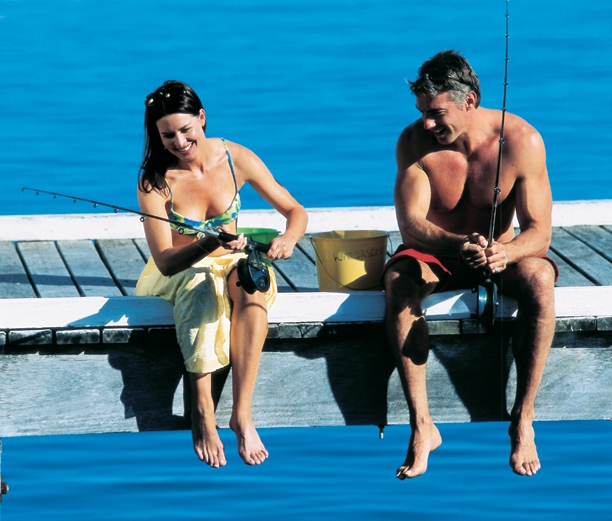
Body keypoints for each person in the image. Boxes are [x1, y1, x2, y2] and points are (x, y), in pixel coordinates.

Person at [383, 51, 557, 479]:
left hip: (497, 255)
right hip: (436, 253)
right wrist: (458, 244)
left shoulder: (521, 142)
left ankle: (523, 418)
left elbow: (540, 232)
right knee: (398, 281)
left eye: (437, 113)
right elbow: (411, 226)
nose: (427, 123)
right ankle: (422, 426)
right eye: (422, 112)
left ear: (470, 101)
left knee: (539, 277)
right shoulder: (413, 144)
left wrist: (508, 252)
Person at [135, 80, 308, 468]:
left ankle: (241, 413)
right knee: (201, 287)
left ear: (202, 117)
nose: (178, 142)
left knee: (251, 281)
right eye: (167, 136)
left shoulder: (235, 158)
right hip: (180, 267)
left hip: (230, 256)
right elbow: (165, 260)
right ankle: (203, 410)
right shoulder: (155, 182)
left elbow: (295, 211)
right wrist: (207, 243)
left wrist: (288, 239)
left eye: (185, 130)